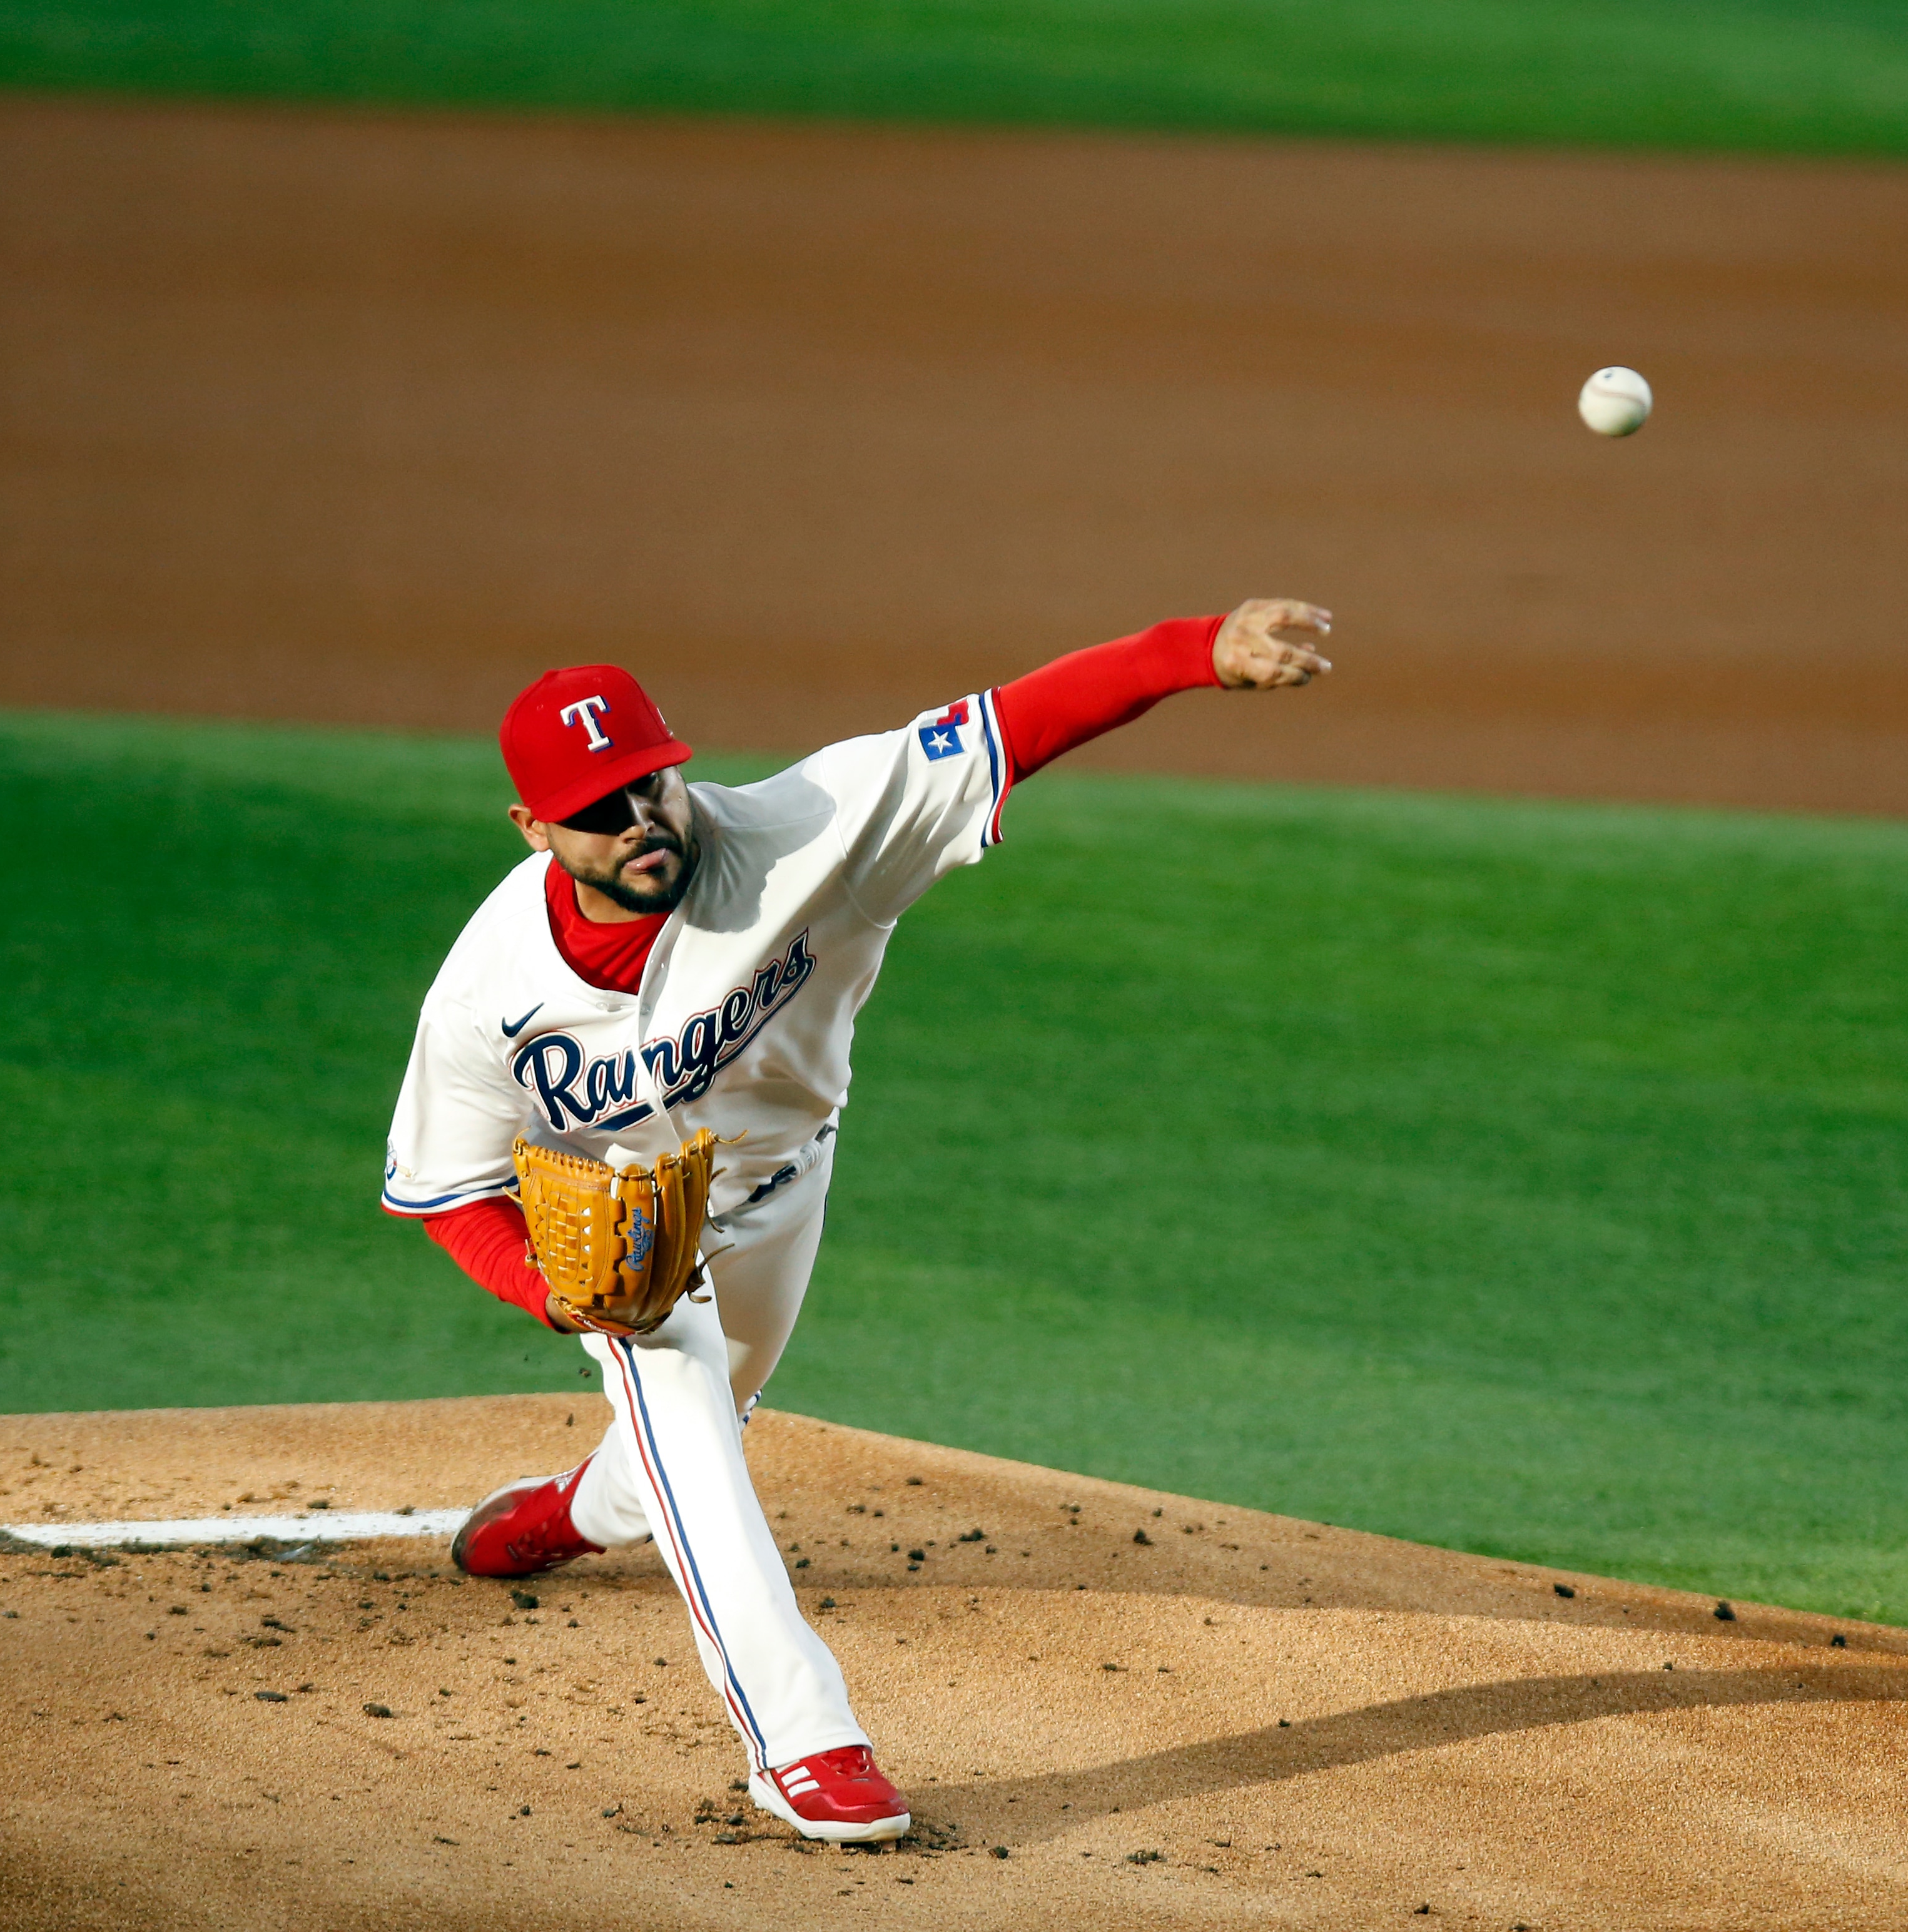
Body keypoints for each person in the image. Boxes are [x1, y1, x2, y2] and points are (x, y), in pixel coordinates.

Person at [380, 601, 1333, 1841]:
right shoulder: (485, 995)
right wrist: (553, 1293)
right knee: (697, 1447)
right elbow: (450, 1191)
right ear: (534, 824)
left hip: (787, 1186)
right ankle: (805, 1741)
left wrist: (1197, 650)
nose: (641, 822)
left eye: (650, 785)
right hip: (621, 1241)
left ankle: (580, 1512)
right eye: (602, 810)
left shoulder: (802, 830)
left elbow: (1010, 727)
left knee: (705, 1427)